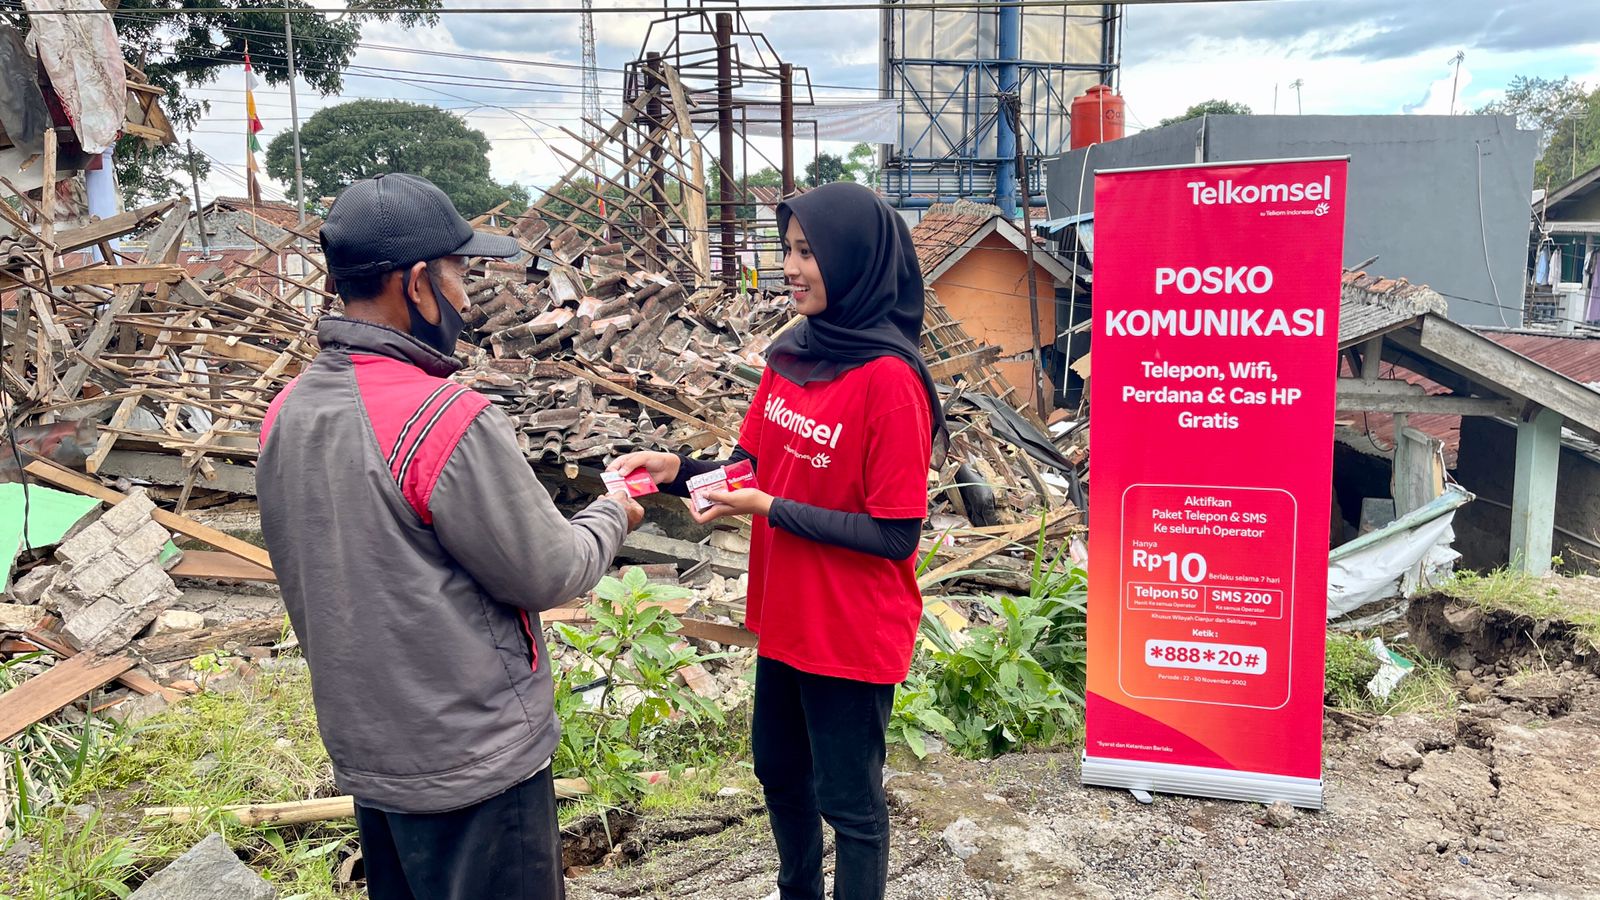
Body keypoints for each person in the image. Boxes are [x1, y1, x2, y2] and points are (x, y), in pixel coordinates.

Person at [257, 173, 644, 900]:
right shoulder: (443, 419)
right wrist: (613, 512)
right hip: (477, 767)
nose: (467, 297)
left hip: (374, 758)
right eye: (460, 272)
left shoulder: (288, 413)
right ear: (416, 285)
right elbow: (550, 571)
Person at [610, 181, 945, 900]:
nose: (791, 267)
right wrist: (675, 471)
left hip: (851, 630)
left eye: (808, 252)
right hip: (787, 616)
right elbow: (753, 467)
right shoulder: (792, 354)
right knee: (779, 773)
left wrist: (771, 507)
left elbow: (895, 534)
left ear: (855, 260)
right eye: (787, 249)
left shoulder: (889, 381)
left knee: (850, 806)